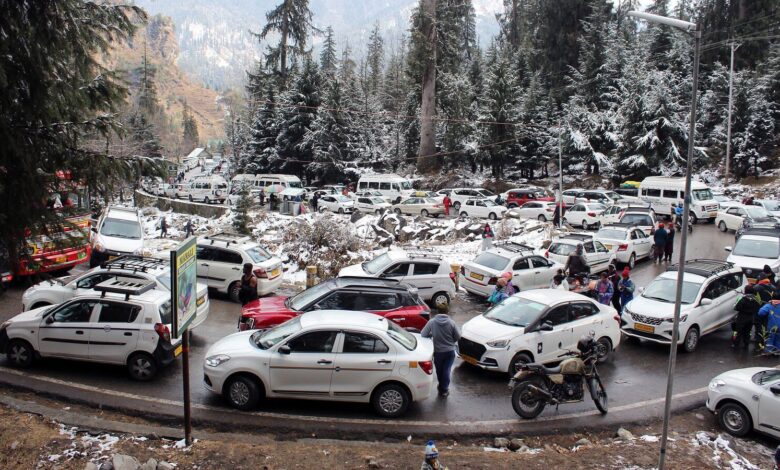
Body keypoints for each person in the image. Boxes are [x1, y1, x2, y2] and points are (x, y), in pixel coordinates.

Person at [420, 310, 461, 397]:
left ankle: (442, 386)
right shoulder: (451, 323)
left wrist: (432, 335)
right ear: (447, 311)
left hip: (438, 352)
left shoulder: (432, 322)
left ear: (438, 311)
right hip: (450, 352)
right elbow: (458, 337)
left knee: (439, 370)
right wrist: (451, 342)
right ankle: (444, 389)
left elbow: (423, 334)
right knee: (446, 370)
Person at [733, 285, 761, 349]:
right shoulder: (756, 299)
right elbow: (758, 308)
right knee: (748, 331)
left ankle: (736, 344)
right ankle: (746, 344)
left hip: (742, 317)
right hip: (751, 317)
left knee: (738, 331)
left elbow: (736, 307)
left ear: (745, 291)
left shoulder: (742, 298)